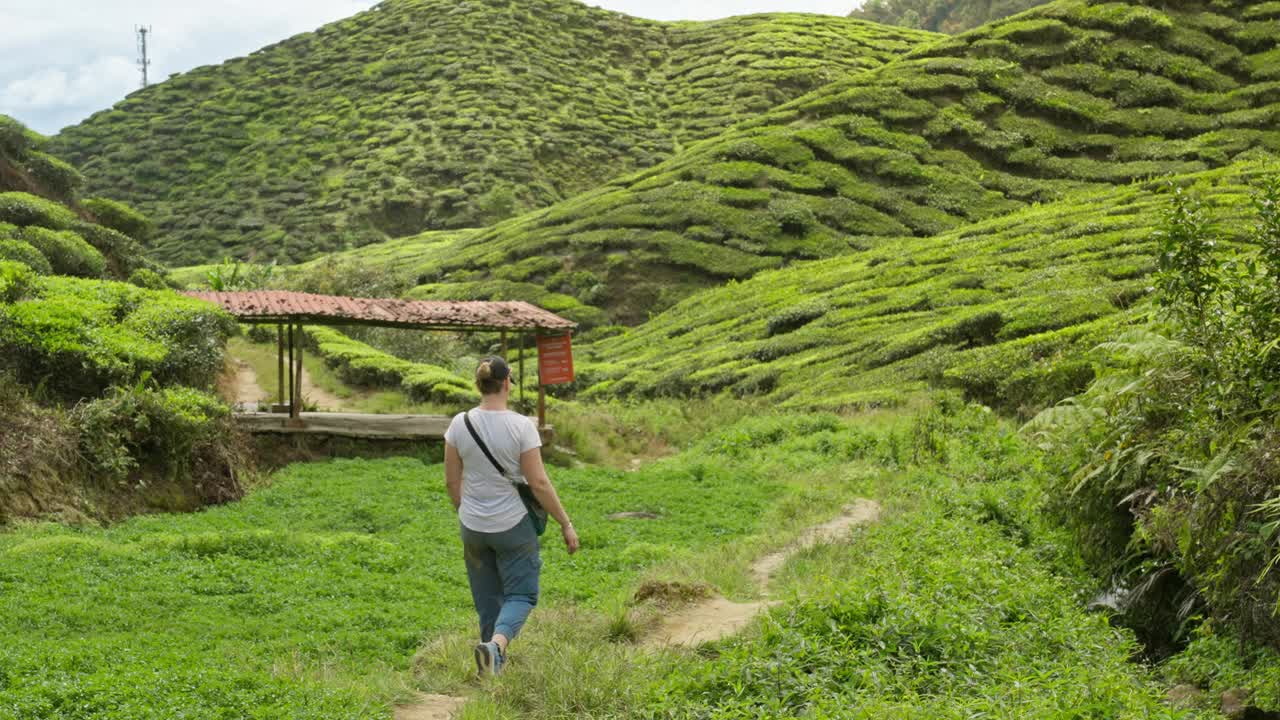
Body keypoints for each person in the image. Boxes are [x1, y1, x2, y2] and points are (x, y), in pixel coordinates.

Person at [443, 355, 579, 676]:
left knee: (487, 597)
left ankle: (490, 666)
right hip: (513, 526)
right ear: (506, 384)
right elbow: (539, 483)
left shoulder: (459, 423)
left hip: (472, 525)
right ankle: (496, 647)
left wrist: (467, 511)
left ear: (479, 385)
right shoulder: (521, 425)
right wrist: (565, 522)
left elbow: (451, 480)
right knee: (521, 594)